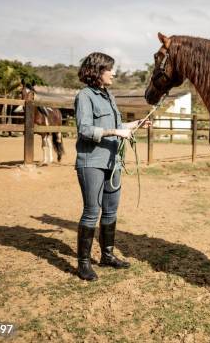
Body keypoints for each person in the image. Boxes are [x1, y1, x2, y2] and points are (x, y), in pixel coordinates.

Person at [74, 52, 150, 281]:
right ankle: (83, 264)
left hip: (112, 162)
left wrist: (136, 124)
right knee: (91, 212)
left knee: (110, 211)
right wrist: (116, 132)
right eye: (110, 69)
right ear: (97, 71)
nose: (114, 73)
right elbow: (85, 129)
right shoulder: (84, 96)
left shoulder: (109, 96)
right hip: (92, 162)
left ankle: (107, 255)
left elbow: (118, 125)